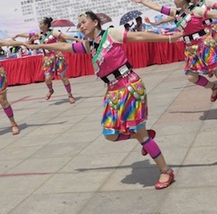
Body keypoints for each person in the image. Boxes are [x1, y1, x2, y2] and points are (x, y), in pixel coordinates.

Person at [25, 11, 177, 189]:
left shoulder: (111, 34)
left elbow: (140, 36)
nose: (81, 26)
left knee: (141, 135)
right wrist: (38, 47)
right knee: (110, 135)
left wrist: (169, 39)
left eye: (84, 22)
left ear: (95, 22)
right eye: (79, 24)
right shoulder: (91, 46)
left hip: (129, 86)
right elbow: (66, 48)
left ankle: (165, 171)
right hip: (112, 92)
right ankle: (141, 136)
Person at [133, 0, 217, 121]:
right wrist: (142, 1)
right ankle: (214, 87)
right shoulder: (176, 13)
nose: (173, 1)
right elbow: (158, 7)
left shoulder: (196, 10)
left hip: (205, 45)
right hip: (191, 49)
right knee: (191, 76)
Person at [12, 17, 77, 104]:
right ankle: (50, 90)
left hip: (57, 55)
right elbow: (28, 35)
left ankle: (70, 95)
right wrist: (18, 35)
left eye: (41, 24)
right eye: (39, 24)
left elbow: (62, 37)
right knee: (47, 78)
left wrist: (73, 40)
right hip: (47, 58)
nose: (39, 25)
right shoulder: (39, 34)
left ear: (46, 25)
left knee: (63, 76)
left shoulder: (53, 32)